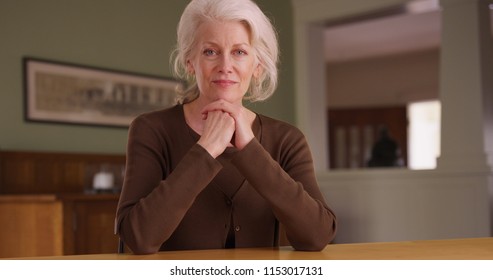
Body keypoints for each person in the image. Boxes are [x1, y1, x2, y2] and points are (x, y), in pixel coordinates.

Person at [115, 0, 337, 254]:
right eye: (210, 51)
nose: (225, 66)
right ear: (190, 61)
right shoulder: (151, 130)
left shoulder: (287, 139)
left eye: (239, 52)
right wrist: (206, 149)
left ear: (257, 66)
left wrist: (250, 150)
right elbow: (138, 238)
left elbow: (318, 235)